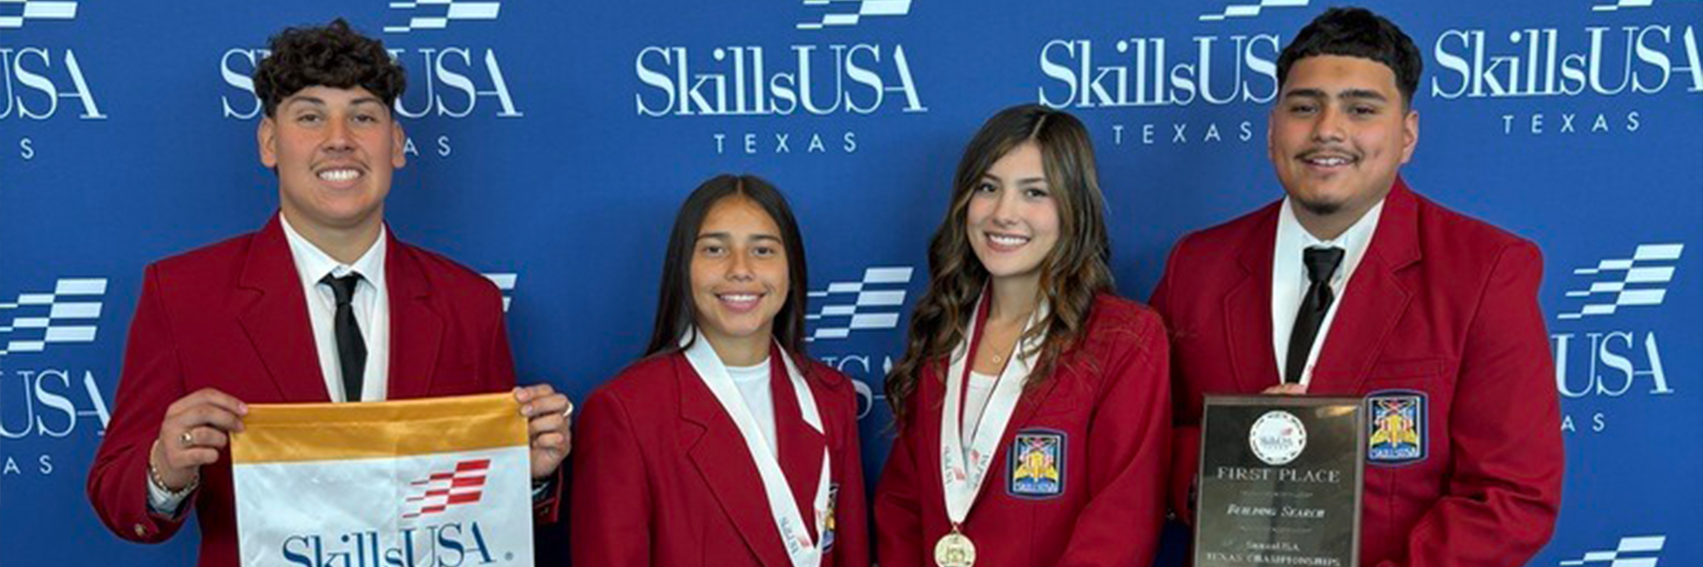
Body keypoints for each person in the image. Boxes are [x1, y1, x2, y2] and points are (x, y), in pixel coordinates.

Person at [85, 19, 572, 566]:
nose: (338, 138)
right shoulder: (181, 294)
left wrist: (526, 475)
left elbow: (485, 514)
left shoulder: (469, 302)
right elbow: (117, 497)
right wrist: (164, 470)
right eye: (310, 116)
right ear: (270, 142)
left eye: (363, 116)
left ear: (396, 144)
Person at [1150, 7, 1563, 566]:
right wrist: (1221, 461)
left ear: (1407, 135)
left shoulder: (1487, 269)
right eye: (1303, 107)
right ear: (1272, 130)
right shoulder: (1196, 264)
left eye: (1361, 109)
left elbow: (1510, 498)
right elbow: (1148, 440)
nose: (1327, 130)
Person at [874, 104, 1171, 567]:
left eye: (1035, 192)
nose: (1004, 213)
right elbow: (902, 506)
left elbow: (1121, 523)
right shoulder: (943, 331)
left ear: (1074, 208)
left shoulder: (1123, 338)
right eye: (988, 188)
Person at [570, 174, 869, 567]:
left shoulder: (831, 395)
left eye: (763, 250)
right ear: (684, 267)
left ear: (791, 268)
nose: (740, 269)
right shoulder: (624, 411)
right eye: (714, 249)